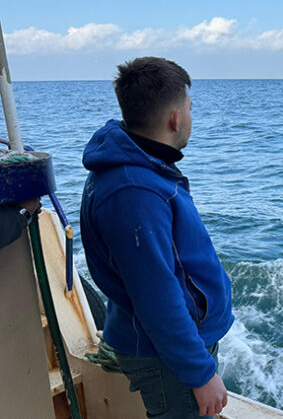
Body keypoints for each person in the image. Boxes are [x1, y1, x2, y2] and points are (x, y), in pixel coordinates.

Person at [80, 57, 234, 419]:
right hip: (167, 358)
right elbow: (157, 298)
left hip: (166, 347)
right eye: (190, 110)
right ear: (175, 118)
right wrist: (199, 373)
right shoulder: (134, 192)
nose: (191, 119)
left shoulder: (138, 167)